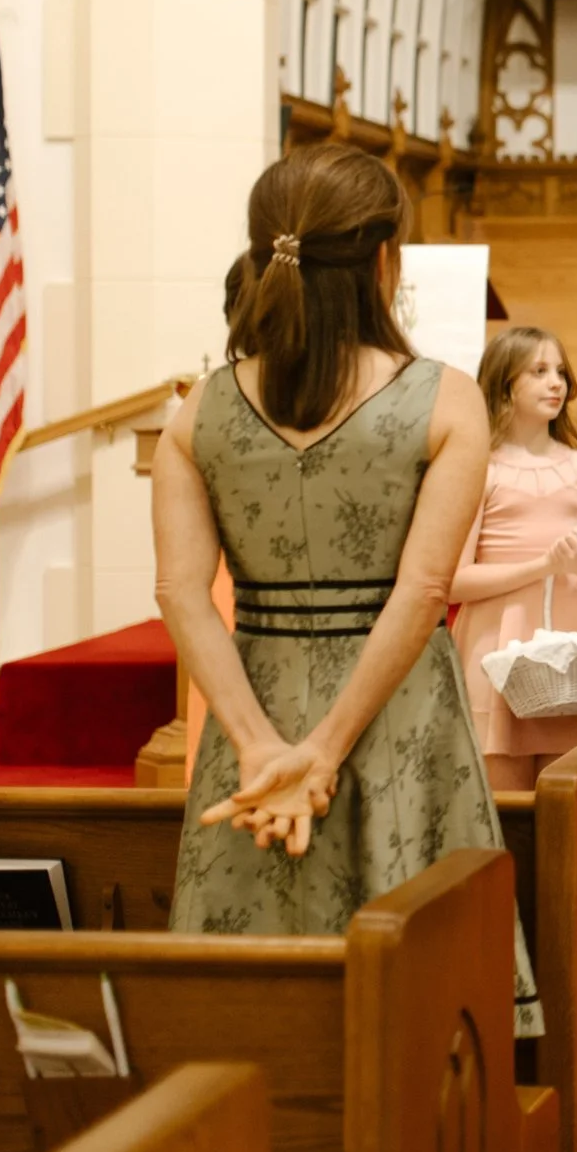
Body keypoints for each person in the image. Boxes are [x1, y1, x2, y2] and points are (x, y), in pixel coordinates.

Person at [156, 142, 539, 1035]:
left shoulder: (197, 410)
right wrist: (323, 753)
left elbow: (181, 593)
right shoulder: (445, 399)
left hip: (254, 710)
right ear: (383, 262)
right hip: (396, 715)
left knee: (252, 1009)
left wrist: (257, 747)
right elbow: (420, 592)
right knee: (425, 1009)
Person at [451, 327, 577, 792]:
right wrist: (542, 567)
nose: (556, 383)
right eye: (540, 371)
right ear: (505, 383)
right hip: (495, 649)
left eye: (561, 372)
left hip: (571, 647)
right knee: (505, 815)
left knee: (573, 811)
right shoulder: (477, 468)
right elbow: (453, 580)